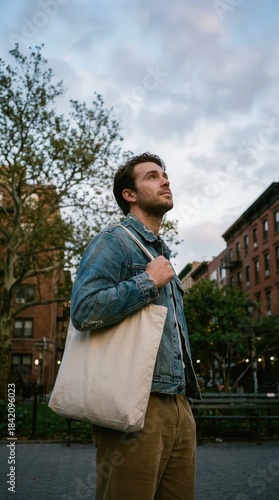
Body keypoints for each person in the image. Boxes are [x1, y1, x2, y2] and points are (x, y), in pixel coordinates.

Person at [70, 152, 201, 500]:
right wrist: (148, 283)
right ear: (129, 194)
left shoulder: (162, 256)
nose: (165, 180)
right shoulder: (114, 241)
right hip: (134, 402)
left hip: (178, 403)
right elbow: (84, 310)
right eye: (152, 176)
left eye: (165, 175)